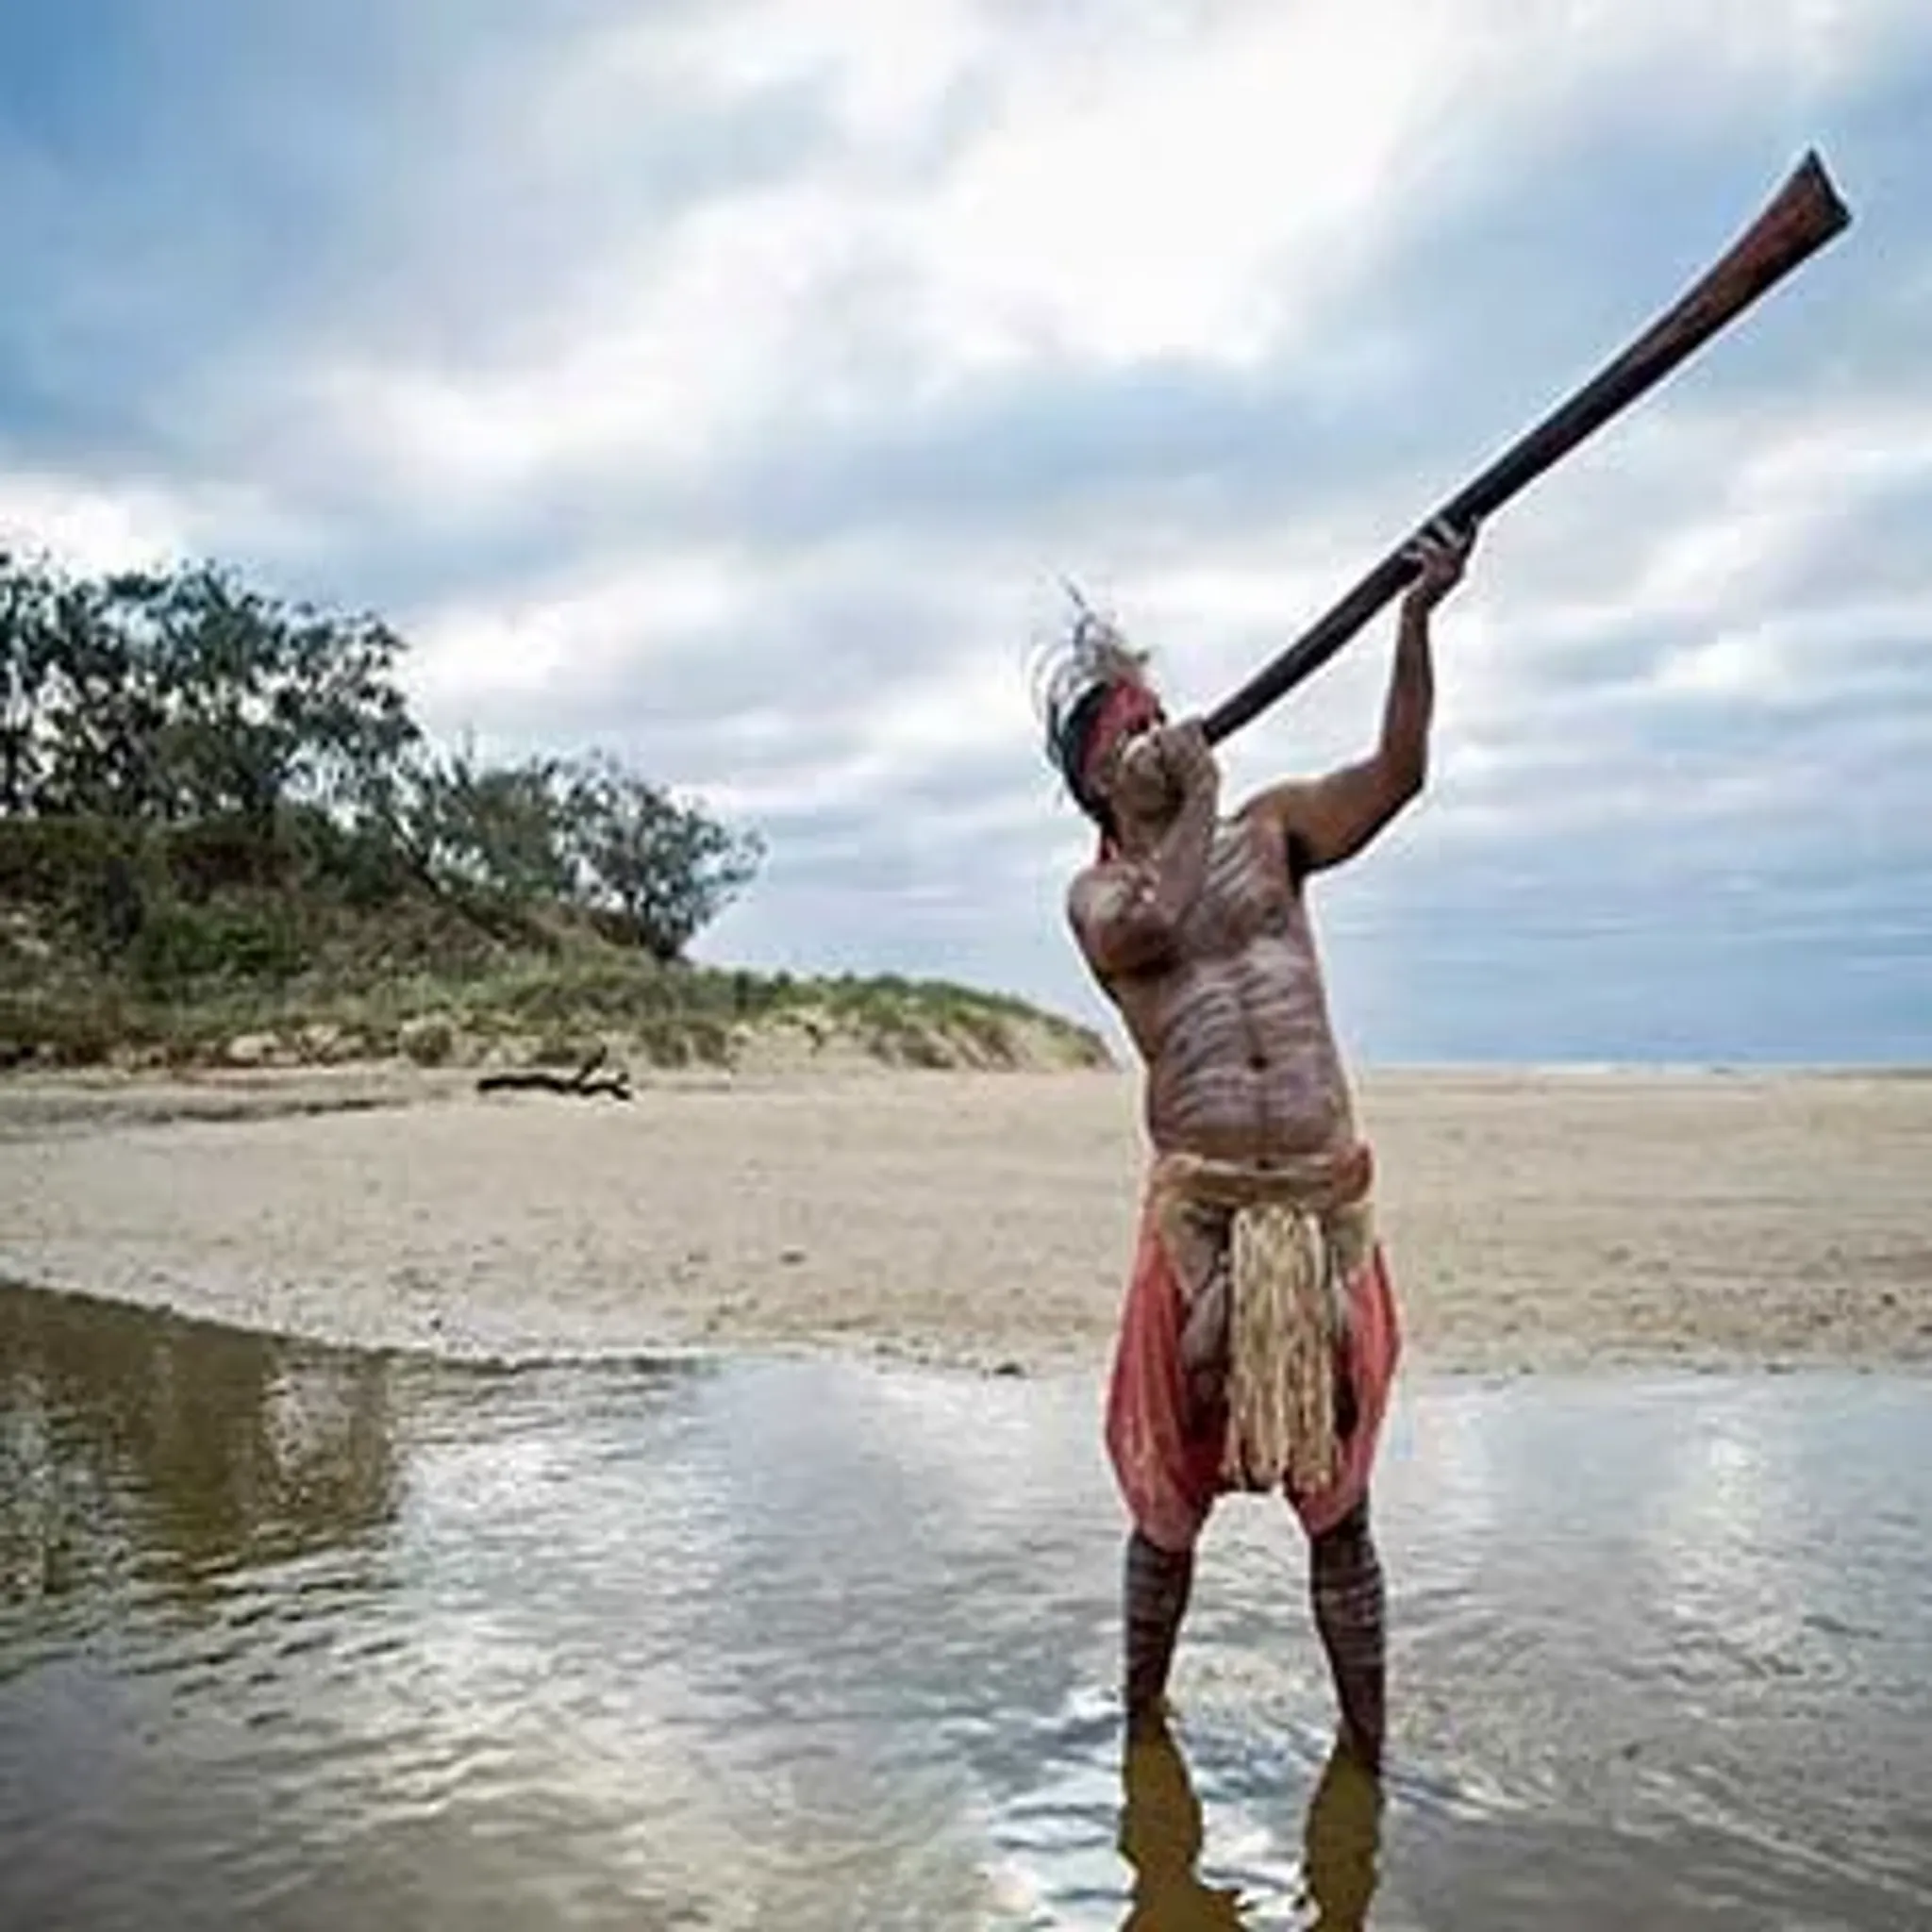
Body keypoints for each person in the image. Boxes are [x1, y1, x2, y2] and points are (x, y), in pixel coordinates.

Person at [1041, 518, 1477, 1770]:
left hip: (1321, 1219)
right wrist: (1193, 800)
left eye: (1154, 714)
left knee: (1342, 1523)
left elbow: (1398, 773)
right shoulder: (1099, 897)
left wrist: (1413, 625)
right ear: (1091, 786)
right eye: (1124, 734)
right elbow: (1160, 918)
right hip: (1205, 1231)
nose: (1153, 736)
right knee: (1165, 1524)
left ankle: (1369, 1762)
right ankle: (1142, 1743)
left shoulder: (1276, 830)